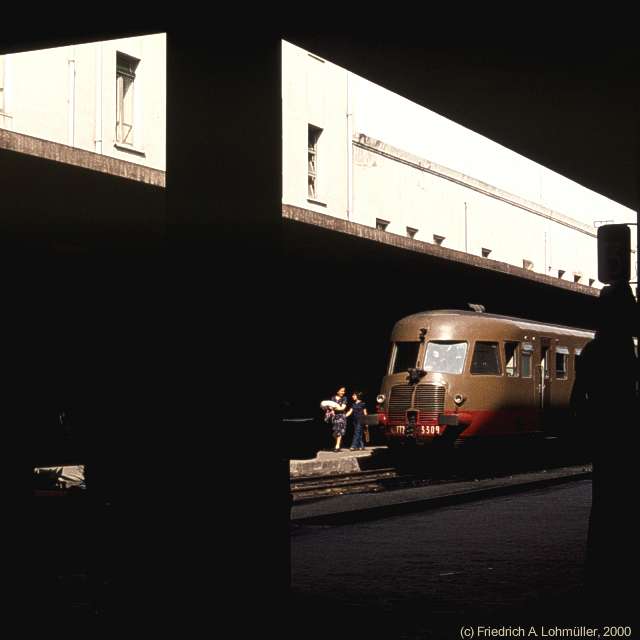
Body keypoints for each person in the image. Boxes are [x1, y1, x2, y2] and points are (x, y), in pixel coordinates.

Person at [570, 281, 638, 617]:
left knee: (604, 508)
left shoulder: (592, 351)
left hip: (605, 439)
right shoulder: (626, 352)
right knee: (623, 509)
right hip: (624, 438)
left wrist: (587, 431)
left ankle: (600, 576)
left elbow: (576, 400)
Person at [328, 386, 348, 451]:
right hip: (334, 417)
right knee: (335, 432)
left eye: (344, 391)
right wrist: (331, 408)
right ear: (337, 391)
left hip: (341, 416)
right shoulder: (333, 398)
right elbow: (330, 407)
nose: (343, 392)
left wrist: (335, 408)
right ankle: (339, 443)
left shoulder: (344, 398)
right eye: (341, 391)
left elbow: (342, 408)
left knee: (339, 430)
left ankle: (337, 446)